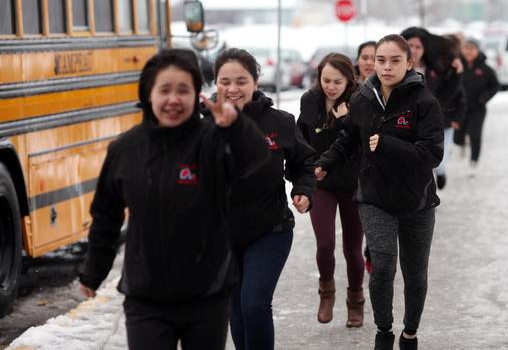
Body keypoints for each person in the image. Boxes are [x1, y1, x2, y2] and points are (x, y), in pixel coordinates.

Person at [79, 49, 269, 350]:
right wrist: (94, 269)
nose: (173, 99)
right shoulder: (126, 149)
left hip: (207, 294)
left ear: (196, 95)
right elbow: (106, 213)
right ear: (148, 94)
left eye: (183, 90)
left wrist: (236, 127)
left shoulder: (213, 140)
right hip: (146, 297)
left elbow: (255, 158)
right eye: (164, 90)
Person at [315, 34, 444, 350]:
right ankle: (384, 331)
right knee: (383, 264)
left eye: (395, 60)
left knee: (415, 274)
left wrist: (389, 145)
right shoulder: (363, 99)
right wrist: (325, 163)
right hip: (374, 195)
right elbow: (348, 139)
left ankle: (409, 333)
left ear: (409, 63)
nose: (385, 67)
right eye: (381, 60)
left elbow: (432, 154)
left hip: (417, 200)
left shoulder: (424, 102)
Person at [213, 48, 316, 350]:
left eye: (241, 81)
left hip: (269, 230)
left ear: (256, 82)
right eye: (225, 81)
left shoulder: (280, 122)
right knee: (237, 308)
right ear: (215, 83)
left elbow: (304, 163)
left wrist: (303, 190)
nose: (233, 89)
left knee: (255, 304)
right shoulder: (204, 124)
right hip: (222, 236)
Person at [296, 53, 364, 327]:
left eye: (337, 81)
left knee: (352, 249)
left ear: (349, 80)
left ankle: (355, 301)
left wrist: (346, 120)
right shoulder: (310, 101)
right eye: (326, 80)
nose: (331, 87)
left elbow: (359, 143)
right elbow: (303, 139)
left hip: (352, 183)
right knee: (325, 244)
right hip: (321, 182)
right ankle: (326, 292)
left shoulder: (360, 101)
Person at [400, 27, 464, 189]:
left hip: (436, 123)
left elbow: (449, 94)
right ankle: (424, 197)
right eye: (410, 46)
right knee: (416, 162)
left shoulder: (435, 69)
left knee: (438, 162)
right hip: (407, 124)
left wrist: (456, 73)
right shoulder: (396, 69)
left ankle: (440, 174)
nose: (413, 50)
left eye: (418, 47)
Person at [454, 38, 500, 174]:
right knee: (457, 136)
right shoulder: (456, 66)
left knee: (475, 134)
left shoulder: (485, 69)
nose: (468, 51)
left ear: (477, 50)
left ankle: (474, 161)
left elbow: (495, 85)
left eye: (471, 48)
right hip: (459, 108)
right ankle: (461, 144)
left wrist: (484, 98)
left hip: (477, 108)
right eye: (465, 48)